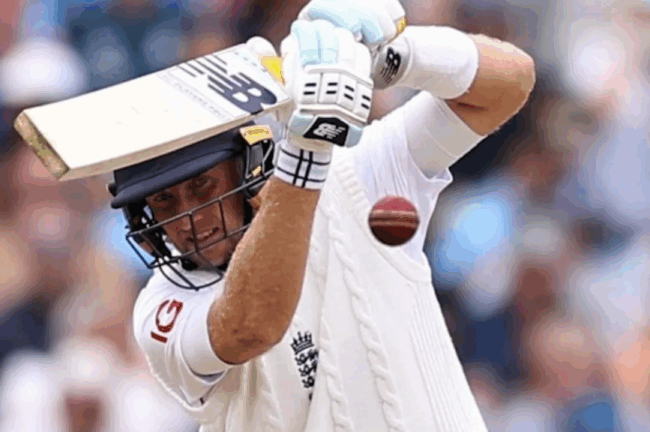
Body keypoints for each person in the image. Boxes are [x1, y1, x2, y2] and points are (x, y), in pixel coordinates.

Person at [107, 1, 535, 430]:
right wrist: (308, 149)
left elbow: (509, 84)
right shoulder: (161, 308)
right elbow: (251, 327)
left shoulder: (358, 174)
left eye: (202, 186)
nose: (188, 218)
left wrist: (390, 59)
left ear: (248, 164)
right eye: (165, 202)